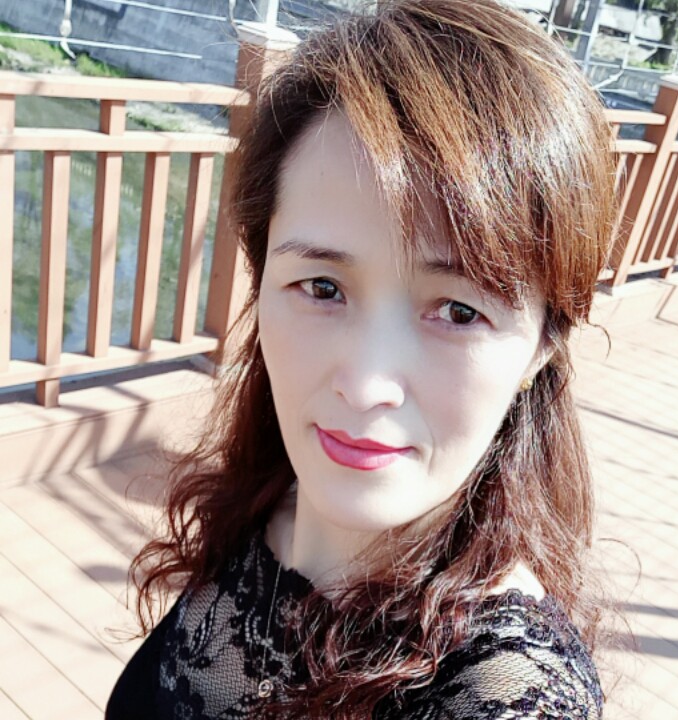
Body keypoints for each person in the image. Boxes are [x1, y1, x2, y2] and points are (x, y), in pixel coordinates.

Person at [106, 0, 617, 717]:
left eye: (459, 311)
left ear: (543, 344)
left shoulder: (504, 694)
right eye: (322, 288)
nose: (366, 384)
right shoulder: (266, 502)